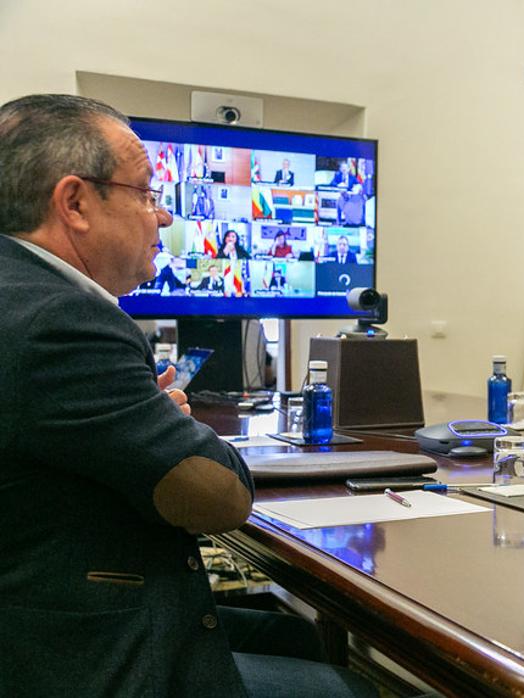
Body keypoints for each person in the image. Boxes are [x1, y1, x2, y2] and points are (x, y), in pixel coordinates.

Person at [0, 94, 375, 697]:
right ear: (74, 203)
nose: (165, 218)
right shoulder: (61, 320)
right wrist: (169, 423)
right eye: (147, 194)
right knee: (353, 690)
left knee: (298, 638)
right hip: (76, 657)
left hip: (41, 610)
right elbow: (219, 497)